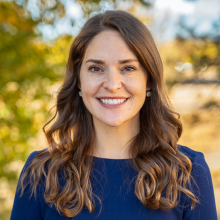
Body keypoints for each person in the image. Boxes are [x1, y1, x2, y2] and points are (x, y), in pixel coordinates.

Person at [10, 10, 218, 220]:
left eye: (128, 68)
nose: (112, 84)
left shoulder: (189, 172)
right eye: (96, 68)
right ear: (79, 81)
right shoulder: (42, 173)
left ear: (149, 80)